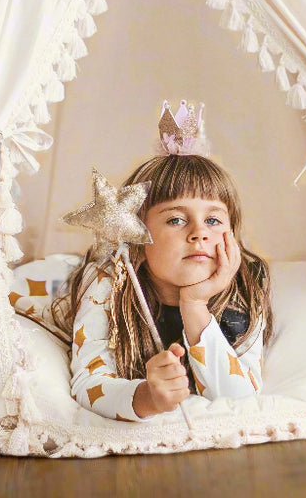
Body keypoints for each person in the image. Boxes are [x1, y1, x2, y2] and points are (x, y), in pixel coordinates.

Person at [55, 123, 273, 421]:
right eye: (175, 220)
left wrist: (195, 304)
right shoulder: (109, 280)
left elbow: (240, 398)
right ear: (136, 240)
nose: (199, 233)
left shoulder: (246, 281)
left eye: (212, 220)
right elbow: (89, 383)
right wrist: (147, 397)